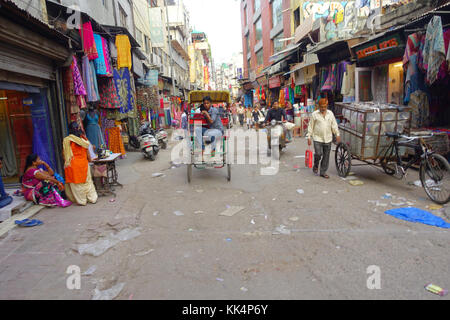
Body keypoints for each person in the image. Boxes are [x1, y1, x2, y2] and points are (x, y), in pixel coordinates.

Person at [63, 121, 98, 205]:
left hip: (73, 164)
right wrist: (90, 160)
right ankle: (92, 198)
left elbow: (64, 155)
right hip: (84, 164)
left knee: (77, 184)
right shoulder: (83, 139)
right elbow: (88, 153)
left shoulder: (67, 140)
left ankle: (82, 201)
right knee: (87, 182)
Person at [306, 98, 341, 179]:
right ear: (318, 106)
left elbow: (334, 125)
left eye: (324, 106)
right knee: (318, 154)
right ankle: (316, 164)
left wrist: (337, 134)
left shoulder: (330, 114)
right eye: (321, 107)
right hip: (317, 138)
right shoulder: (314, 114)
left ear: (326, 106)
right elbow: (310, 126)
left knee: (326, 156)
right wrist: (309, 136)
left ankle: (323, 172)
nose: (323, 108)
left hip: (328, 138)